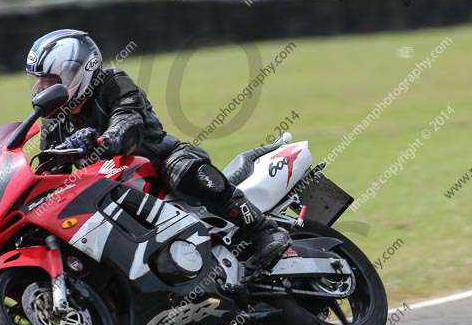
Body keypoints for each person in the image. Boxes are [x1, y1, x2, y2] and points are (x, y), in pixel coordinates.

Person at [26, 29, 290, 266]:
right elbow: (49, 171)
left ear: (79, 70)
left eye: (51, 80)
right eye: (40, 82)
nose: (43, 89)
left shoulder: (114, 83)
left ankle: (263, 230)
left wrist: (97, 140)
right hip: (107, 185)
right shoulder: (54, 117)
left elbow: (127, 126)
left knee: (185, 171)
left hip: (159, 162)